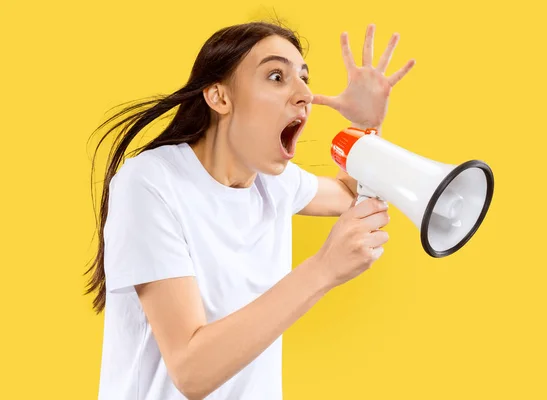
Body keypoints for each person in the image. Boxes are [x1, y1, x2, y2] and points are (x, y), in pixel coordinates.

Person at [84, 19, 415, 400]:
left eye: (304, 78)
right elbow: (191, 372)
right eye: (277, 76)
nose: (305, 93)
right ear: (219, 97)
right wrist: (324, 269)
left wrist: (365, 125)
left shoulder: (273, 182)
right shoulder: (151, 182)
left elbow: (347, 192)